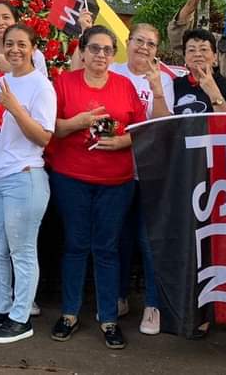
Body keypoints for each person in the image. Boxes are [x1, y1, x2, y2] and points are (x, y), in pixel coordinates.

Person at [48, 26, 144, 350]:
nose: (101, 55)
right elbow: (51, 129)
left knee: (106, 248)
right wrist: (80, 122)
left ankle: (108, 319)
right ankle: (69, 314)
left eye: (106, 49)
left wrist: (122, 141)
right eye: (94, 48)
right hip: (71, 178)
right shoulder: (64, 83)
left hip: (115, 183)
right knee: (75, 245)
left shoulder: (125, 86)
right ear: (83, 51)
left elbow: (142, 130)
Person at [0, 24, 56, 344]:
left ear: (33, 48)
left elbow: (44, 136)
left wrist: (15, 108)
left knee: (22, 250)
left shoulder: (41, 86)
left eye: (21, 44)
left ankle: (20, 318)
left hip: (24, 176)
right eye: (9, 44)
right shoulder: (0, 83)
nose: (15, 49)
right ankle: (1, 308)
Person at [109, 22, 176, 335]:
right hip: (115, 169)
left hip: (150, 173)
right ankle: (119, 296)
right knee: (118, 238)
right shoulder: (113, 71)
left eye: (151, 43)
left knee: (149, 242)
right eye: (139, 41)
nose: (144, 48)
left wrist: (158, 91)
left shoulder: (163, 78)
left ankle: (153, 304)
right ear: (128, 41)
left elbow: (165, 126)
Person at [167, 28, 226, 115]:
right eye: (191, 50)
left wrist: (213, 92)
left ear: (215, 57)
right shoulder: (173, 86)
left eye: (203, 49)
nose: (197, 54)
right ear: (185, 57)